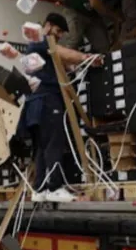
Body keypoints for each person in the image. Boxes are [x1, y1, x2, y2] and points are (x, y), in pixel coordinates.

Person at [19, 13, 103, 203]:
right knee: (54, 144)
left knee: (41, 147)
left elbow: (59, 60)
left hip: (34, 104)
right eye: (57, 31)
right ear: (47, 26)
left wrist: (71, 66)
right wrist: (86, 57)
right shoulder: (41, 39)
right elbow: (62, 53)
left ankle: (39, 190)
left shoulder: (34, 46)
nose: (57, 36)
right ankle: (54, 188)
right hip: (48, 101)